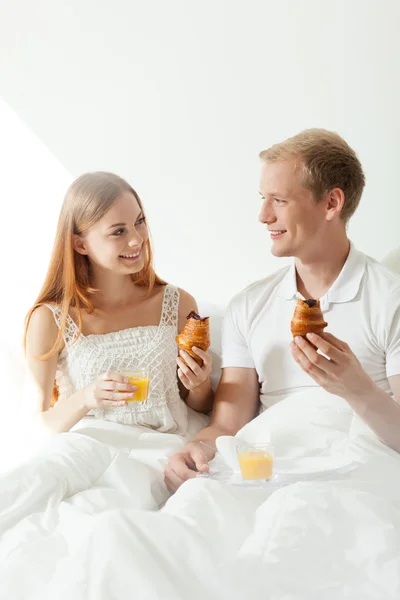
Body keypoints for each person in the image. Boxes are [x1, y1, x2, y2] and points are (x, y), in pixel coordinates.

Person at [165, 128, 400, 491]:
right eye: (262, 198)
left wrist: (358, 389)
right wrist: (194, 449)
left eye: (279, 200)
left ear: (331, 203)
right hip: (269, 473)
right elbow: (227, 426)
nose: (262, 215)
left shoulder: (390, 300)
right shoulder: (250, 306)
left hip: (355, 476)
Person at [24, 172, 213, 437]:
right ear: (80, 244)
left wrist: (200, 385)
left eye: (140, 222)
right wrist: (87, 397)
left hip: (164, 450)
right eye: (118, 232)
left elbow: (197, 407)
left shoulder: (177, 303)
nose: (137, 239)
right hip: (88, 450)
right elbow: (36, 425)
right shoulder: (50, 318)